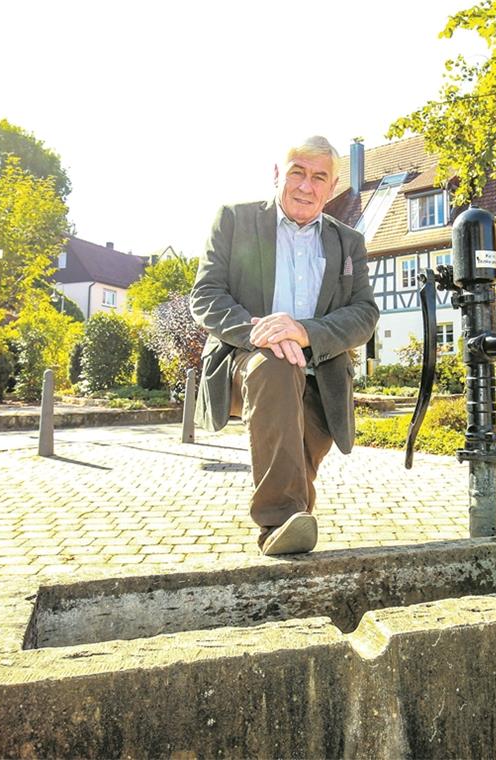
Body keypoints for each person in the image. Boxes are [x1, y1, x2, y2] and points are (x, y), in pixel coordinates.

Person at [190, 135, 379, 556]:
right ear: (277, 174)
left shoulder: (348, 241)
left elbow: (365, 313)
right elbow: (206, 296)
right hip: (247, 361)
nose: (306, 186)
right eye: (297, 172)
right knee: (275, 366)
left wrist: (304, 331)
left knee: (297, 468)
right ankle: (276, 522)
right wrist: (265, 333)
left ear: (332, 189)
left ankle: (290, 533)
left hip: (322, 375)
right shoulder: (235, 221)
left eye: (319, 178)